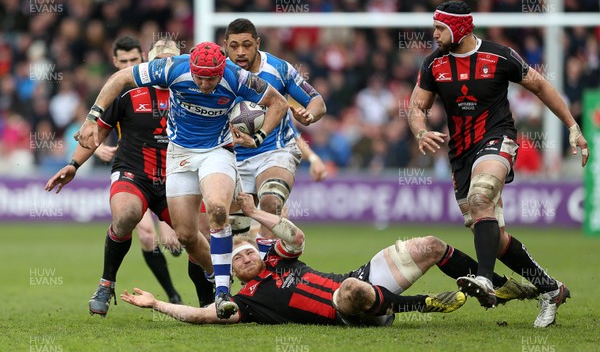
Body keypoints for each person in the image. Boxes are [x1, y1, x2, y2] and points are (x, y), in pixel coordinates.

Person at [74, 40, 289, 319]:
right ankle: (215, 275)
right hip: (179, 156)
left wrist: (258, 138)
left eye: (211, 78)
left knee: (218, 209)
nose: (204, 83)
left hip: (216, 151)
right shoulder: (173, 68)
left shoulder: (237, 77)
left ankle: (222, 291)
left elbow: (278, 103)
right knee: (187, 236)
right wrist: (93, 116)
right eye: (199, 77)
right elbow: (120, 77)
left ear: (221, 70)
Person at [407, 1, 589, 327]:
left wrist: (573, 127)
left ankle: (485, 280)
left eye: (439, 28)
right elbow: (416, 106)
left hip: (497, 140)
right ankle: (551, 289)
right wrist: (420, 131)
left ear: (460, 29)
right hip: (460, 155)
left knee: (481, 197)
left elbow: (541, 86)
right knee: (495, 235)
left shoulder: (500, 56)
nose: (434, 34)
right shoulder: (434, 64)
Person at [120, 192, 535, 325]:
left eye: (249, 250)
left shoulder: (277, 260)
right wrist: (156, 303)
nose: (245, 256)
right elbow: (200, 316)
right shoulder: (244, 300)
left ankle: (494, 286)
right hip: (345, 307)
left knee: (429, 244)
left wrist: (254, 212)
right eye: (239, 257)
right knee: (353, 291)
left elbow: (296, 236)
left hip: (359, 280)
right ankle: (419, 306)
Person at [45, 36, 184, 315]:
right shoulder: (123, 91)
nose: (164, 66)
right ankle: (108, 284)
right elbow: (97, 130)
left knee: (187, 237)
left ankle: (213, 296)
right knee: (134, 223)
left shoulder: (190, 93)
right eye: (158, 62)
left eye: (171, 61)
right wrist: (75, 163)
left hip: (177, 179)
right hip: (134, 172)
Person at [223, 18, 327, 255]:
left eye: (247, 45)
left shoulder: (279, 69)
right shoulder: (217, 73)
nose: (240, 52)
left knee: (271, 201)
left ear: (257, 43)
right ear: (225, 45)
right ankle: (229, 285)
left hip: (274, 151)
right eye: (234, 45)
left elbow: (317, 101)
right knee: (234, 229)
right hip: (232, 157)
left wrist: (309, 116)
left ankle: (266, 279)